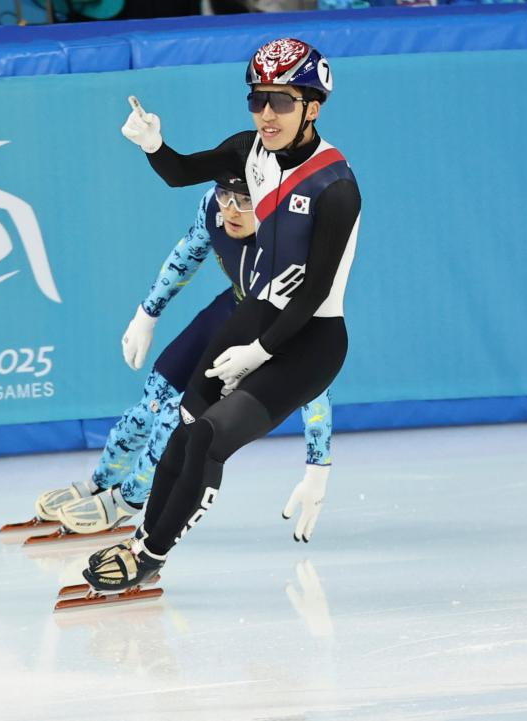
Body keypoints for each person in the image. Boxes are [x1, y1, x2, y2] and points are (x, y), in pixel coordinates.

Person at [83, 38, 360, 593]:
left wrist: (259, 353)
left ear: (312, 106)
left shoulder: (336, 187)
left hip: (311, 339)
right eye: (257, 100)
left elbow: (314, 294)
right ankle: (142, 542)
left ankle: (151, 555)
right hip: (254, 316)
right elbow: (180, 172)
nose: (266, 114)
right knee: (184, 429)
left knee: (210, 437)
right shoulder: (247, 150)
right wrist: (154, 145)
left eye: (281, 101)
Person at [32, 176, 334, 542]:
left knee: (176, 419)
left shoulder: (293, 241)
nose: (231, 210)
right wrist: (147, 314)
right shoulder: (212, 206)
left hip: (269, 332)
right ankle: (101, 481)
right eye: (225, 195)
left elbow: (314, 371)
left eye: (245, 200)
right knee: (150, 401)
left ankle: (128, 500)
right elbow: (188, 254)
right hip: (233, 308)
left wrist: (318, 463)